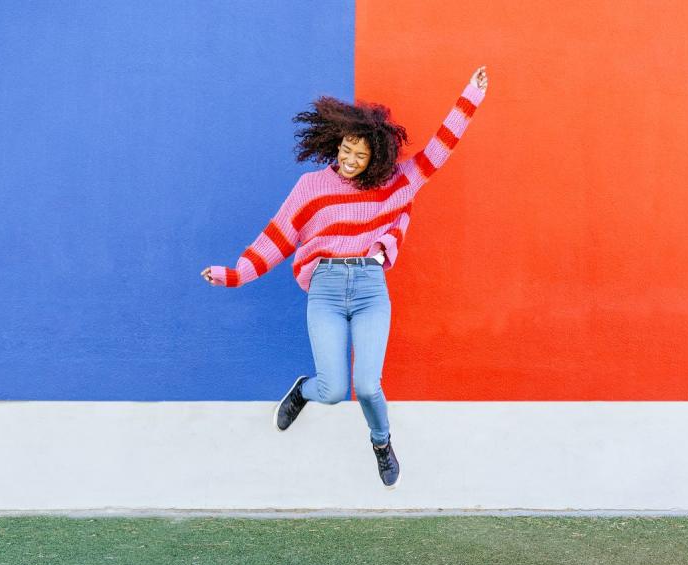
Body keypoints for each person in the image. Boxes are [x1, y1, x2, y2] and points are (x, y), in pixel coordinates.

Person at [201, 66, 489, 489]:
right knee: (334, 390)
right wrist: (234, 274)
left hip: (371, 289)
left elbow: (438, 150)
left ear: (376, 158)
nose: (350, 161)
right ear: (336, 142)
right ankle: (304, 390)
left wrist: (470, 97)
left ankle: (381, 442)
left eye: (361, 156)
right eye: (346, 150)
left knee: (368, 388)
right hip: (327, 291)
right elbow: (277, 237)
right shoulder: (311, 186)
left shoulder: (395, 184)